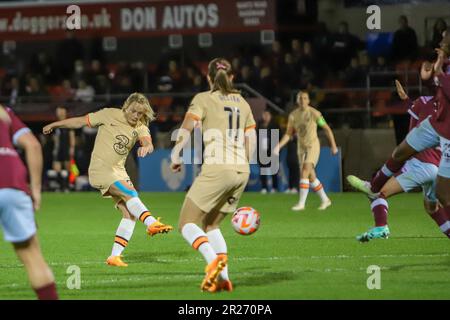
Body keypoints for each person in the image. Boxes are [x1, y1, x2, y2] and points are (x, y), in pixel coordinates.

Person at [43, 93, 173, 267]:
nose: (136, 116)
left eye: (140, 114)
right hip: (100, 169)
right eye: (133, 111)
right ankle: (151, 223)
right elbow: (80, 121)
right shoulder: (109, 114)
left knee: (130, 214)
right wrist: (56, 124)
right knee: (130, 193)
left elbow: (147, 141)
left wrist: (147, 147)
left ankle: (114, 256)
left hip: (119, 172)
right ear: (126, 107)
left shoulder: (140, 126)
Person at [347, 31, 450, 238]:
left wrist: (437, 72)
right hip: (436, 127)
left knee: (441, 196)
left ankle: (380, 221)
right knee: (401, 152)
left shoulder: (442, 71)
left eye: (445, 37)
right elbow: (438, 90)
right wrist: (430, 76)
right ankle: (373, 185)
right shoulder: (440, 72)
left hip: (445, 137)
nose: (441, 40)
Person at [170, 58, 257, 293]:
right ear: (232, 77)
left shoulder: (203, 99)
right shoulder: (243, 103)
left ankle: (213, 263)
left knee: (186, 223)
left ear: (208, 78)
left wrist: (177, 153)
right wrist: (244, 167)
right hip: (241, 171)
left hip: (218, 168)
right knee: (211, 225)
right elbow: (252, 139)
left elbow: (186, 128)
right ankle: (224, 279)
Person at [0, 105, 58, 300]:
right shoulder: (4, 111)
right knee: (32, 257)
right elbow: (32, 145)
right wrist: (35, 190)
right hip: (12, 182)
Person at [274, 90, 338, 211]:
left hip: (312, 146)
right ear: (297, 101)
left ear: (308, 100)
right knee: (311, 176)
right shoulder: (293, 115)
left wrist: (333, 146)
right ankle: (325, 200)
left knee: (304, 171)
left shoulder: (315, 113)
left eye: (305, 98)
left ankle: (301, 204)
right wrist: (279, 146)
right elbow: (288, 134)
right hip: (301, 148)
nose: (303, 100)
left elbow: (327, 129)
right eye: (300, 98)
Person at [48, 106, 76, 192]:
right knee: (57, 168)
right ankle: (59, 186)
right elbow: (54, 138)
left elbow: (72, 137)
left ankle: (67, 186)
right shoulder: (55, 124)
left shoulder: (68, 124)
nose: (59, 113)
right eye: (58, 112)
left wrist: (72, 148)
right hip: (58, 149)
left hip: (66, 148)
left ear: (65, 113)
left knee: (67, 168)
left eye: (61, 112)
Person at [257, 110, 279, 194]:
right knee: (263, 170)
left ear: (270, 116)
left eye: (267, 115)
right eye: (264, 114)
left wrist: (276, 148)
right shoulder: (260, 124)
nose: (265, 116)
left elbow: (279, 136)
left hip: (272, 150)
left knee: (274, 169)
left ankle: (274, 188)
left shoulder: (274, 125)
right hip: (262, 150)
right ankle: (264, 188)